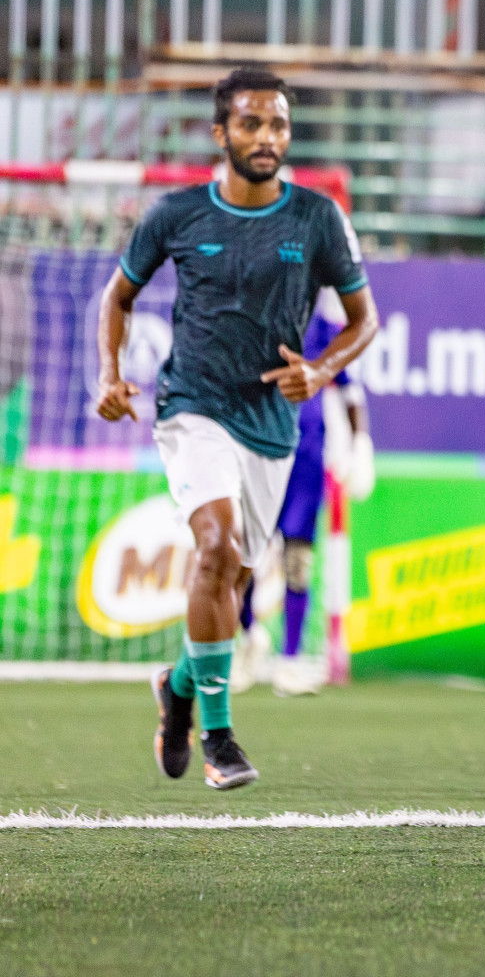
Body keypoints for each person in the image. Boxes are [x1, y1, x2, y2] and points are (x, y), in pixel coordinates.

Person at [95, 67, 379, 790]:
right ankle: (219, 739)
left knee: (234, 580)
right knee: (215, 548)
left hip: (271, 427)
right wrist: (110, 373)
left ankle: (180, 690)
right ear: (221, 134)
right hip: (191, 407)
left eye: (278, 124)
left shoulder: (316, 219)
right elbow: (118, 296)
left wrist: (319, 372)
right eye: (251, 123)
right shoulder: (177, 214)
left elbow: (363, 320)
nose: (266, 136)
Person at [230, 290, 374, 698]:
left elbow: (350, 390)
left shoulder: (323, 327)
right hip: (258, 451)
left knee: (298, 558)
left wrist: (360, 443)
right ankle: (248, 636)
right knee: (245, 555)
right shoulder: (252, 319)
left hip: (306, 459)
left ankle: (289, 662)